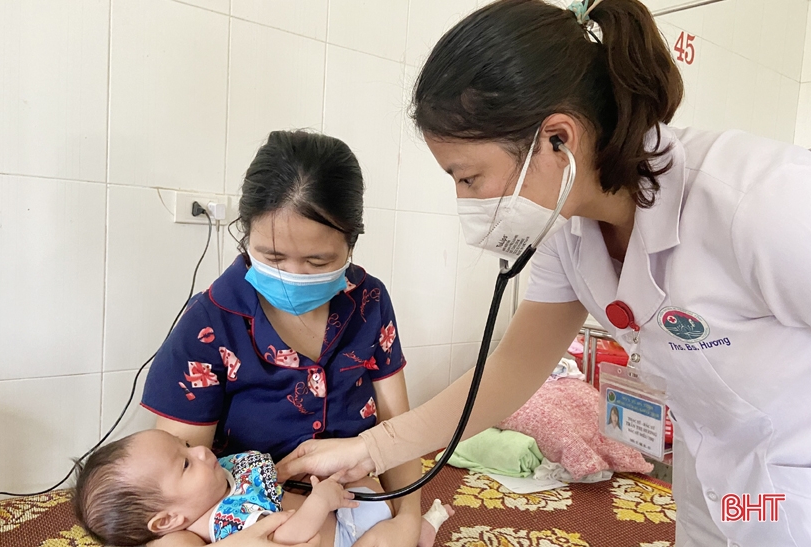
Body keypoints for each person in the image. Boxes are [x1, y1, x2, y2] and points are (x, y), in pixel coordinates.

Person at [275, 1, 811, 546]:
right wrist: (374, 447)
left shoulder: (762, 203)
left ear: (558, 139)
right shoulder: (572, 237)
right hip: (722, 487)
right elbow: (512, 369)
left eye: (469, 177)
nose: (464, 200)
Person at [140, 130, 424, 547]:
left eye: (317, 260)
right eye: (273, 257)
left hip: (351, 502)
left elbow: (397, 425)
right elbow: (177, 476)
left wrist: (409, 516)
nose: (293, 275)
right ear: (245, 234)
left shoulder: (369, 302)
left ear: (351, 244)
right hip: (245, 513)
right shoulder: (209, 323)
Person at [72, 430, 451, 547]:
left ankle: (415, 526)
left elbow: (271, 477)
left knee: (366, 480)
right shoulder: (221, 522)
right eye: (186, 463)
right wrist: (319, 503)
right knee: (385, 542)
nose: (202, 451)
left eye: (186, 446)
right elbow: (289, 533)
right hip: (341, 538)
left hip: (342, 508)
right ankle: (422, 532)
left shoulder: (219, 476)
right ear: (169, 518)